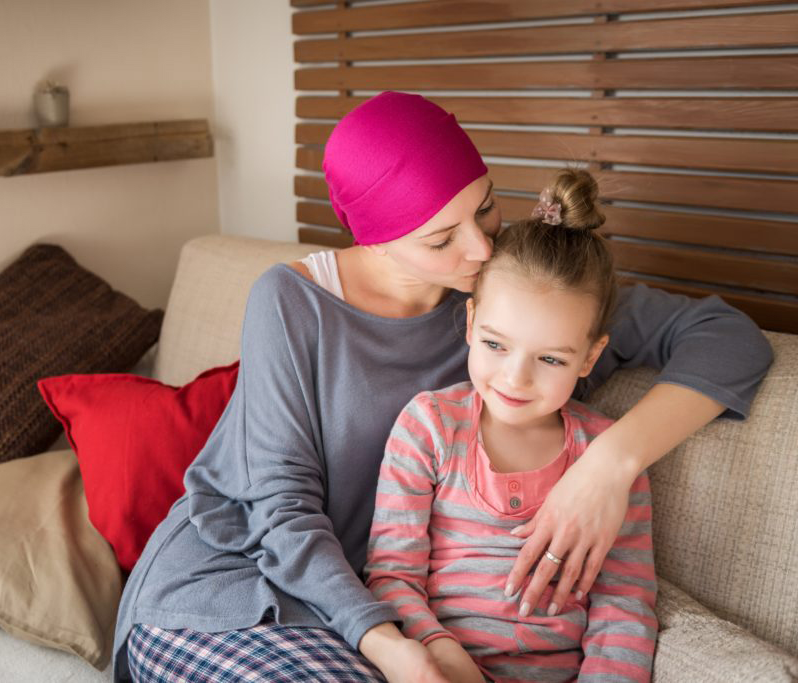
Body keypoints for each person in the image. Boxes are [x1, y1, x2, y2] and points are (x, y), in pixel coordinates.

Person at [113, 91, 771, 682]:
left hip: (372, 612)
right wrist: (395, 644)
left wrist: (609, 463)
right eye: (441, 238)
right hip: (229, 593)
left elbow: (731, 340)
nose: (481, 249)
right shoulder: (291, 302)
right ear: (374, 240)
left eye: (485, 209)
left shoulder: (517, 295)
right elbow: (280, 513)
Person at [365, 169, 656, 683]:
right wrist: (436, 649)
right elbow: (392, 576)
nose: (515, 379)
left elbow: (625, 605)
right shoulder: (429, 426)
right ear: (472, 323)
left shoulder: (608, 456)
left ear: (590, 357)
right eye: (496, 345)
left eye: (550, 359)